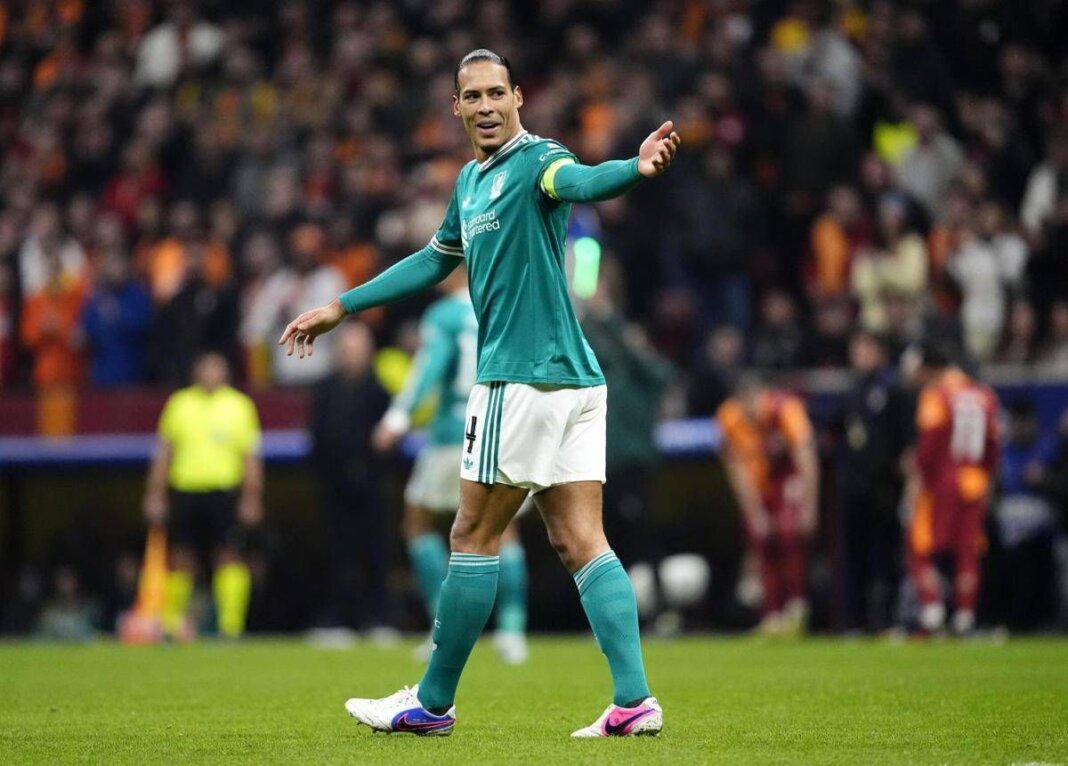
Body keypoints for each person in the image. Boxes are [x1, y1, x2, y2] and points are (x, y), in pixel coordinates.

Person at [279, 49, 679, 738]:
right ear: (456, 107)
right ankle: (634, 700)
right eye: (474, 96)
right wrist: (344, 305)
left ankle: (431, 703)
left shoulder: (536, 160)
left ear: (519, 97)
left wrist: (632, 170)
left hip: (520, 379)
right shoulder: (470, 181)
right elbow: (434, 259)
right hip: (574, 382)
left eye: (498, 93)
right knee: (580, 539)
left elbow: (579, 180)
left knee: (471, 533)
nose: (487, 106)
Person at [371, 266, 529, 664]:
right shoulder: (504, 304)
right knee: (504, 530)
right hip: (501, 429)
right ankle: (512, 632)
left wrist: (397, 418)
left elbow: (429, 367)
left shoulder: (444, 315)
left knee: (418, 522)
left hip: (452, 432)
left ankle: (440, 629)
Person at [142, 352, 263, 639]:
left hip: (224, 492)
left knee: (229, 556)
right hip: (186, 491)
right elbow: (164, 453)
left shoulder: (239, 406)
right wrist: (155, 494)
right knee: (181, 557)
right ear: (196, 372)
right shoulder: (179, 404)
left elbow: (250, 457)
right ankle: (172, 623)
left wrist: (251, 497)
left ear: (226, 373)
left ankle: (230, 626)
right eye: (206, 368)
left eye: (216, 368)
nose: (211, 374)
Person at [907, 342, 1000, 636]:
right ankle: (964, 616)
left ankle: (932, 611)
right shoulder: (985, 396)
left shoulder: (937, 396)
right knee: (968, 553)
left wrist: (918, 480)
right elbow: (993, 447)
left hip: (943, 483)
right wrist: (988, 481)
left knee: (920, 547)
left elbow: (928, 448)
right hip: (975, 483)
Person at [716, 375, 819, 634]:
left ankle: (797, 607)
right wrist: (754, 511)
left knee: (788, 534)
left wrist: (809, 506)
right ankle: (772, 613)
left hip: (786, 476)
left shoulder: (786, 410)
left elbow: (806, 459)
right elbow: (736, 470)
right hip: (759, 484)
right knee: (760, 540)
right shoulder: (729, 418)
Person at [308, 322, 391, 638]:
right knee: (335, 555)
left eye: (357, 350)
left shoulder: (380, 391)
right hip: (334, 485)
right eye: (346, 350)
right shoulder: (324, 390)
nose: (351, 356)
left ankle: (379, 621)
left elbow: (389, 442)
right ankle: (337, 620)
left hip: (371, 485)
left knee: (375, 554)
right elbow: (316, 439)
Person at [837, 330, 911, 633]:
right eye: (855, 350)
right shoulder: (851, 391)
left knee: (886, 556)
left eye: (865, 349)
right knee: (854, 557)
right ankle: (855, 621)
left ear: (880, 352)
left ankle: (888, 620)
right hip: (854, 487)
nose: (859, 356)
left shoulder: (894, 389)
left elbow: (907, 441)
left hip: (885, 488)